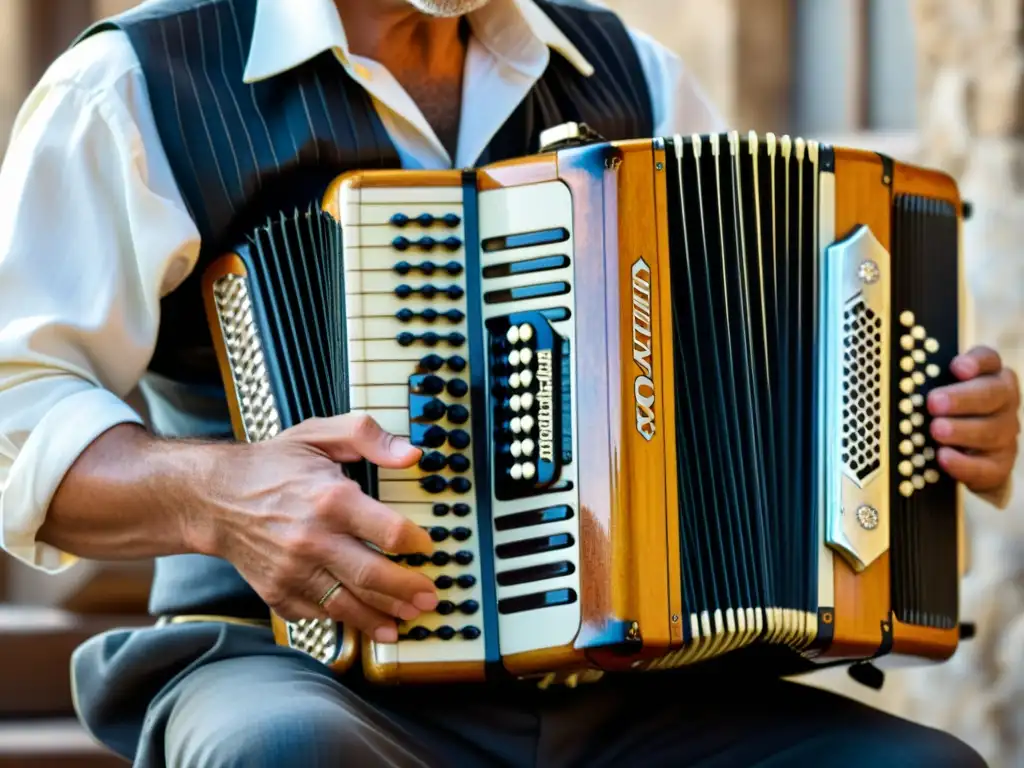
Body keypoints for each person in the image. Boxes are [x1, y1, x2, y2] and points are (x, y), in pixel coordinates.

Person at [0, 0, 1017, 765]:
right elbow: (17, 409)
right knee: (283, 756)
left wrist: (919, 425)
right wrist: (220, 498)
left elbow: (763, 364)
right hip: (295, 664)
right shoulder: (137, 85)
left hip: (634, 687)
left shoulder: (631, 72)